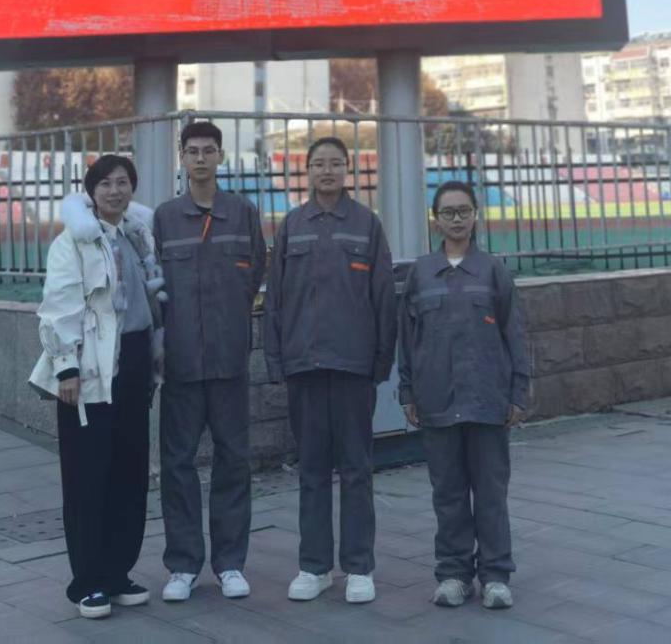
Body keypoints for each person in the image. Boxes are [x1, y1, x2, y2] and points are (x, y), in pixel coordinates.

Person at [29, 154, 165, 621]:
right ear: (91, 191)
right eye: (105, 183)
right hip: (89, 371)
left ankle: (117, 571)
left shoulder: (137, 237)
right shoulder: (73, 242)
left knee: (130, 472)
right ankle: (88, 582)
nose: (115, 191)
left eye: (123, 182)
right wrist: (66, 367)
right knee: (88, 477)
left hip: (134, 365)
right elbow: (59, 305)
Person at [264, 134, 396, 605]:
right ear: (308, 170)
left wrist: (381, 361)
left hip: (353, 366)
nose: (327, 171)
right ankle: (314, 567)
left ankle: (359, 567)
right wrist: (276, 359)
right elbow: (275, 299)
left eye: (335, 163)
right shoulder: (292, 225)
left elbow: (384, 297)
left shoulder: (366, 224)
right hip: (305, 365)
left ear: (348, 170)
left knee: (357, 468)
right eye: (319, 163)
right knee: (312, 469)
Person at [398, 179, 529, 611]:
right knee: (448, 493)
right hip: (437, 400)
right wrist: (407, 392)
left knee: (490, 493)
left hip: (487, 400)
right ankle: (454, 575)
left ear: (475, 216)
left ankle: (495, 576)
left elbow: (515, 334)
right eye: (448, 212)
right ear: (435, 219)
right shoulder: (421, 273)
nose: (456, 219)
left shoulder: (493, 271)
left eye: (464, 211)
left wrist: (518, 392)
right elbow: (407, 339)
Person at [153, 118, 266, 603]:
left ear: (221, 156)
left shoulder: (243, 213)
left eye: (208, 150)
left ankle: (230, 563)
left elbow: (256, 271)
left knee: (233, 461)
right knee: (177, 463)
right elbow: (155, 286)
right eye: (192, 151)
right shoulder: (164, 218)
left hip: (229, 363)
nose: (200, 159)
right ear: (182, 158)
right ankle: (182, 565)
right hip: (180, 365)